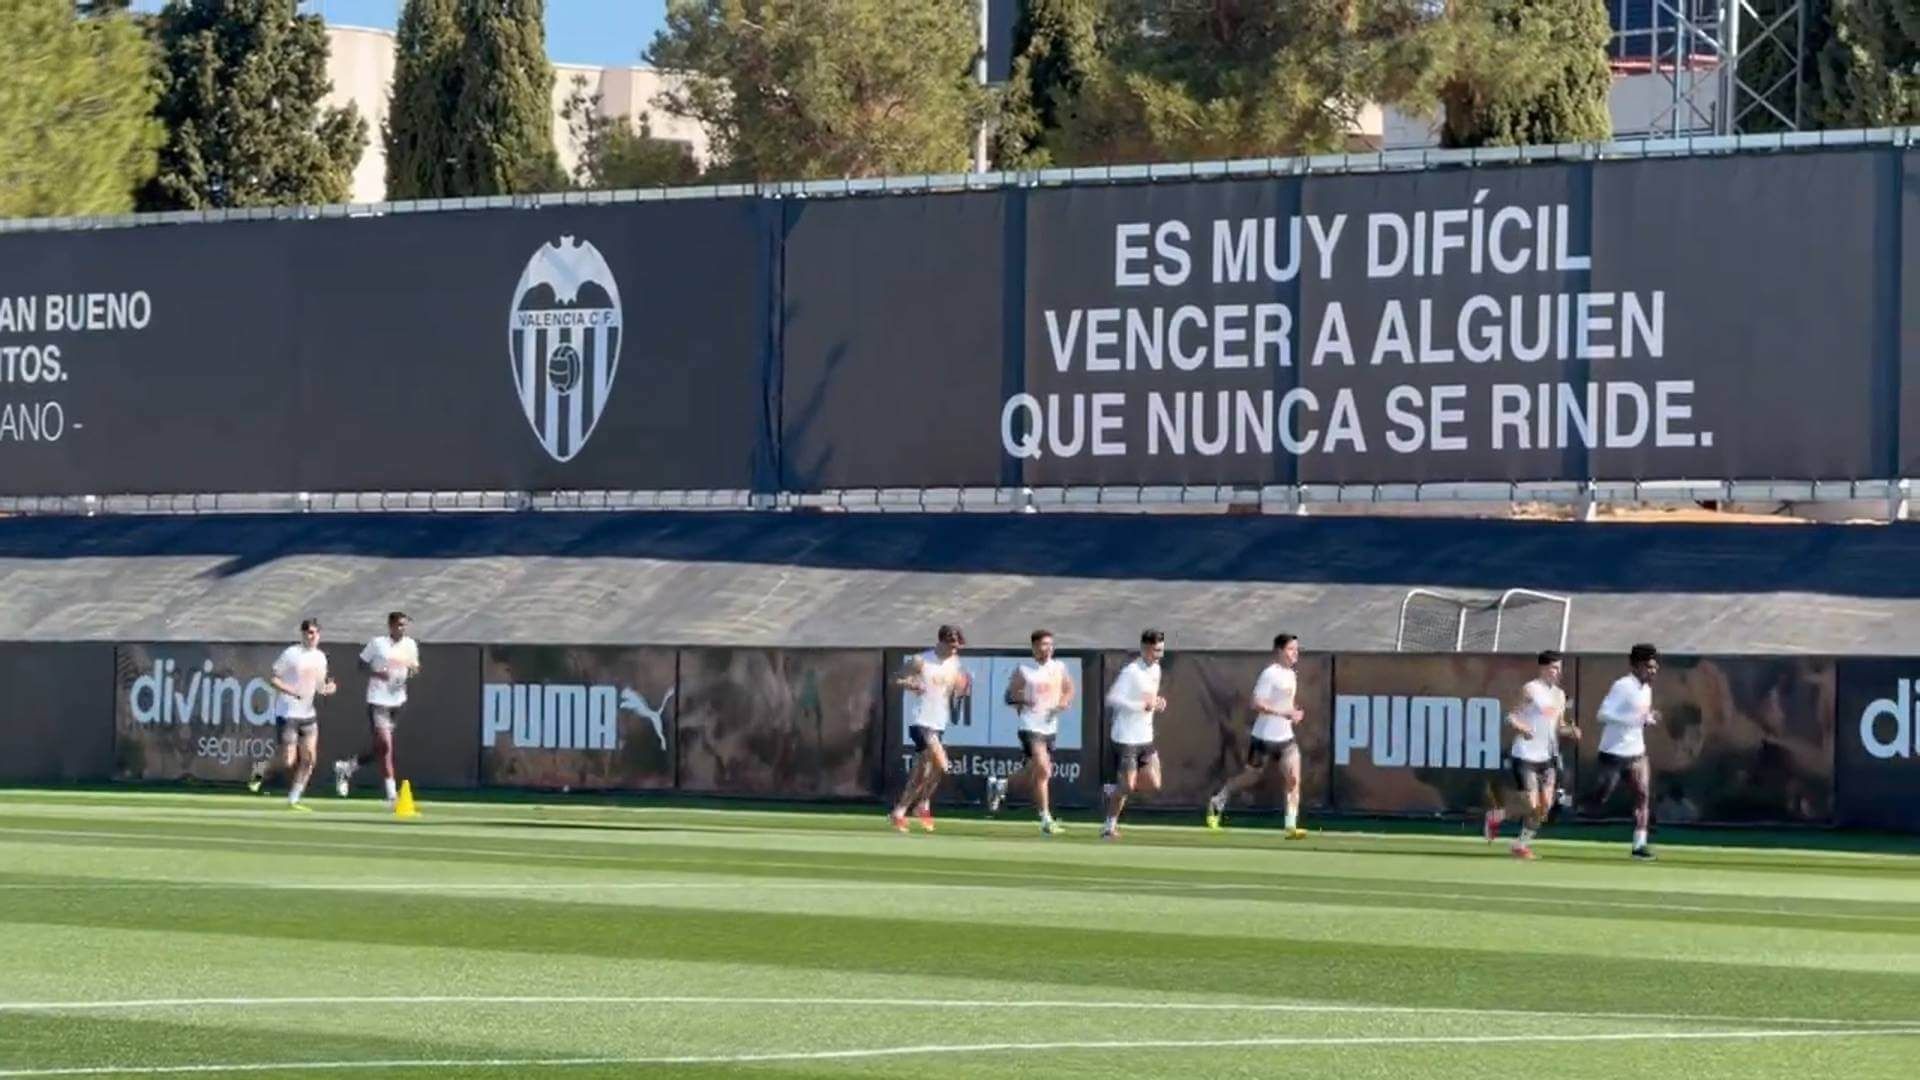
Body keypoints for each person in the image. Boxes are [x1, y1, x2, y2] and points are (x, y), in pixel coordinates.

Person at [1205, 634, 1308, 838]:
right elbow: (1256, 703)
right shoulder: (1270, 674)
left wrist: (1294, 712)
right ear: (1279, 651)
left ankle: (1290, 826)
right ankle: (1218, 799)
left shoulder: (1291, 674)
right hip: (1263, 737)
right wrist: (1283, 713)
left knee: (1294, 779)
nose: (1295, 653)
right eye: (1291, 649)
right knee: (1250, 777)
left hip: (1286, 738)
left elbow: (1285, 703)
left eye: (1297, 649)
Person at [1483, 650, 1576, 859]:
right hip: (1525, 754)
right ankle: (1496, 816)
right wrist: (1523, 728)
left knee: (1545, 806)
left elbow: (1559, 725)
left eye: (1559, 668)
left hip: (1548, 756)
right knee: (1530, 805)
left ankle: (1520, 845)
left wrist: (1570, 730)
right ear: (1543, 668)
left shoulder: (1559, 695)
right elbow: (1511, 716)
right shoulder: (1530, 689)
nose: (1557, 672)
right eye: (1553, 668)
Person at [985, 629, 1075, 835]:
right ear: (1034, 647)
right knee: (1043, 769)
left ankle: (1001, 785)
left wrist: (1063, 702)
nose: (1048, 648)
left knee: (1034, 770)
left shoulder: (1059, 667)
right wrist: (1024, 699)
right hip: (1030, 725)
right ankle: (1046, 819)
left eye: (1050, 645)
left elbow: (1069, 689)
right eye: (1044, 645)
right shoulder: (1024, 670)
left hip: (1050, 727)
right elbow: (1008, 696)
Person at [887, 625, 970, 833]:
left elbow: (954, 687)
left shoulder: (954, 662)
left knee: (924, 770)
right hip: (920, 720)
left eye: (957, 647)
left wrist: (960, 689)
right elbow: (895, 678)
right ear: (941, 642)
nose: (954, 650)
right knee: (942, 763)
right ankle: (920, 804)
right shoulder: (921, 660)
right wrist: (912, 685)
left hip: (939, 721)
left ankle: (902, 810)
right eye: (951, 645)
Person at [248, 618, 337, 811]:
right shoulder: (291, 654)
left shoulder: (320, 657)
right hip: (288, 712)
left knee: (309, 759)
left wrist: (328, 688)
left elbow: (320, 685)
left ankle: (294, 799)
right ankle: (261, 768)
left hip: (308, 714)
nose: (312, 636)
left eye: (315, 633)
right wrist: (292, 691)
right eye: (309, 633)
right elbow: (273, 678)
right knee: (287, 761)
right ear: (303, 634)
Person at [333, 611, 420, 807]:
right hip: (378, 700)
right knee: (386, 745)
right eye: (399, 625)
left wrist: (411, 672)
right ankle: (391, 796)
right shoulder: (377, 643)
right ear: (390, 626)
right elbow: (361, 665)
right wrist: (378, 674)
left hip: (398, 701)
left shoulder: (410, 645)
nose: (402, 629)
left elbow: (415, 666)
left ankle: (347, 767)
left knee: (380, 748)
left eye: (405, 625)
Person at [1589, 643, 1661, 861]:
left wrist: (1648, 719)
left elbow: (1640, 719)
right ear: (1637, 666)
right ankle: (1563, 802)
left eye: (1655, 666)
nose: (1653, 670)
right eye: (1649, 666)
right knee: (1599, 799)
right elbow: (1602, 715)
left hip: (1637, 753)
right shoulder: (1622, 686)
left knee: (1643, 795)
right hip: (1613, 753)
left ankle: (1639, 845)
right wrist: (1634, 720)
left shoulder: (1646, 689)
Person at [1101, 629, 1166, 841]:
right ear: (1145, 649)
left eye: (1162, 650)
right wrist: (1141, 706)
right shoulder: (1131, 671)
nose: (1160, 655)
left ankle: (1115, 790)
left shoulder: (1156, 669)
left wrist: (1158, 702)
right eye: (1156, 650)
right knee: (1128, 786)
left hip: (1146, 736)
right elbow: (1112, 699)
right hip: (1126, 737)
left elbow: (1150, 699)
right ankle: (1109, 827)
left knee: (1154, 783)